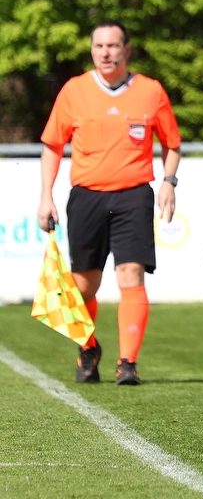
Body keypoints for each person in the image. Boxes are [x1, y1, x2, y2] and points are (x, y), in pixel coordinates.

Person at [37, 20, 182, 386]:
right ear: (92, 51)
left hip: (134, 195)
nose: (105, 53)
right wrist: (45, 196)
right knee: (83, 285)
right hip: (86, 196)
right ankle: (88, 347)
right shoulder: (74, 90)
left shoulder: (150, 91)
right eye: (99, 46)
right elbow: (53, 145)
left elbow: (172, 143)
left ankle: (127, 363)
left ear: (126, 50)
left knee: (130, 275)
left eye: (113, 46)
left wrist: (168, 182)